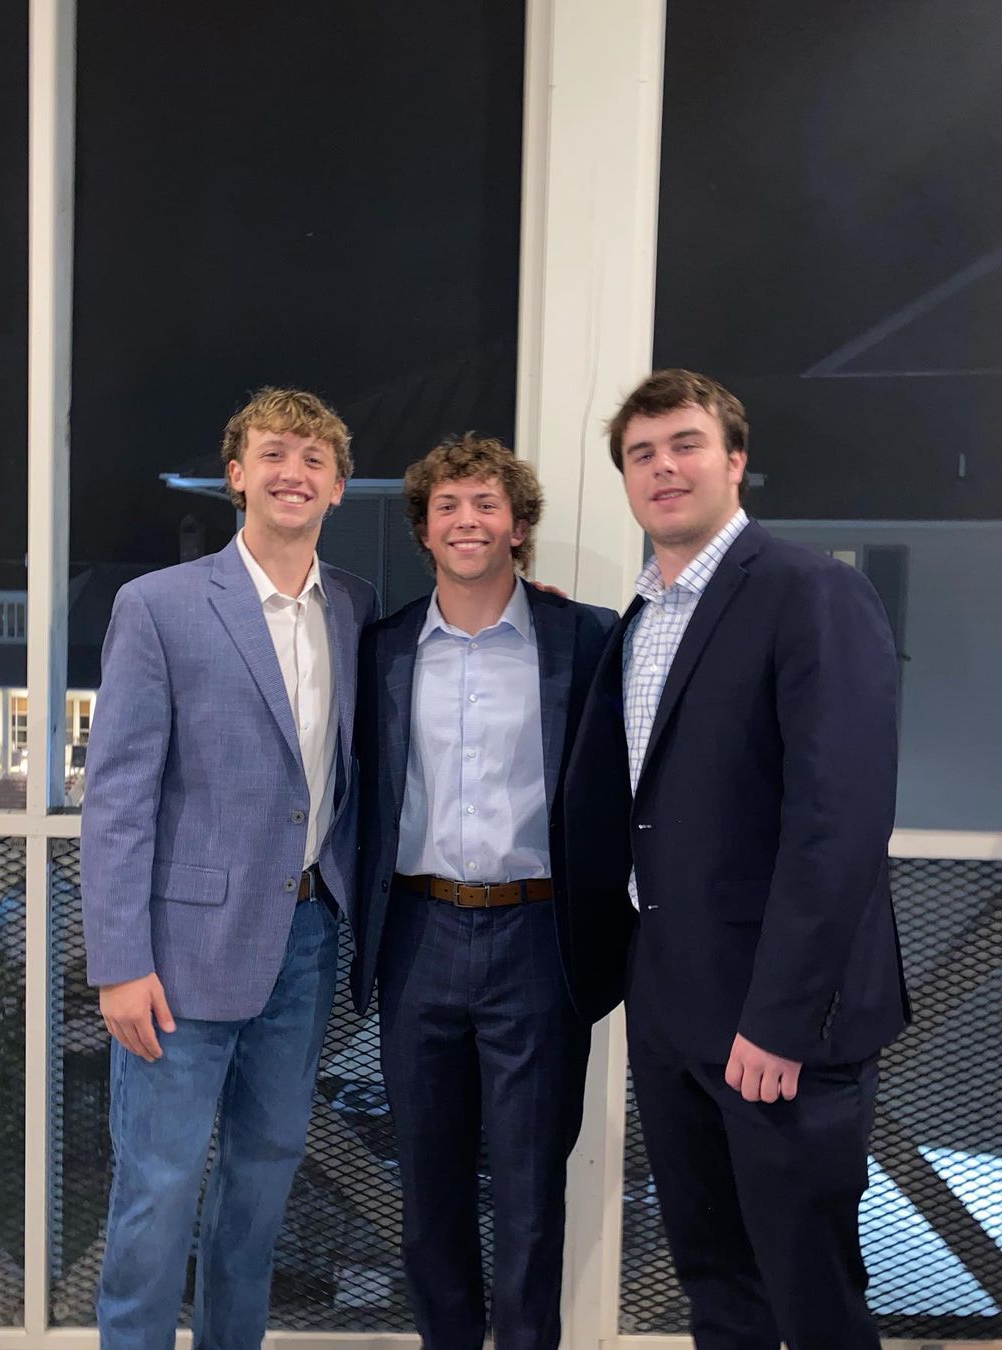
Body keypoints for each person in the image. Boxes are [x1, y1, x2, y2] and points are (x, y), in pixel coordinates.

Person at [563, 369, 910, 1349]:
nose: (663, 468)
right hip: (670, 1008)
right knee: (715, 1285)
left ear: (735, 461)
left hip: (777, 1020)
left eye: (686, 444)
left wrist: (780, 1021)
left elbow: (838, 823)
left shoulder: (812, 591)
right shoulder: (639, 622)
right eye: (642, 453)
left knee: (812, 1294)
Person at [80, 387, 378, 1350]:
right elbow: (117, 798)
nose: (295, 472)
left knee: (261, 1189)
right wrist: (119, 962)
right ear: (238, 475)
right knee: (156, 1192)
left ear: (337, 487)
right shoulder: (159, 606)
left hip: (307, 941)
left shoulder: (356, 609)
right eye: (274, 454)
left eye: (315, 459)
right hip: (178, 957)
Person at [350, 434, 617, 1350]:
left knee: (531, 1195)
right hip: (416, 937)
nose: (467, 521)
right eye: (448, 506)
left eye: (487, 504)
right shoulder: (382, 649)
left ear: (518, 526)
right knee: (428, 1194)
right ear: (424, 530)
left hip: (539, 940)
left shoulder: (586, 639)